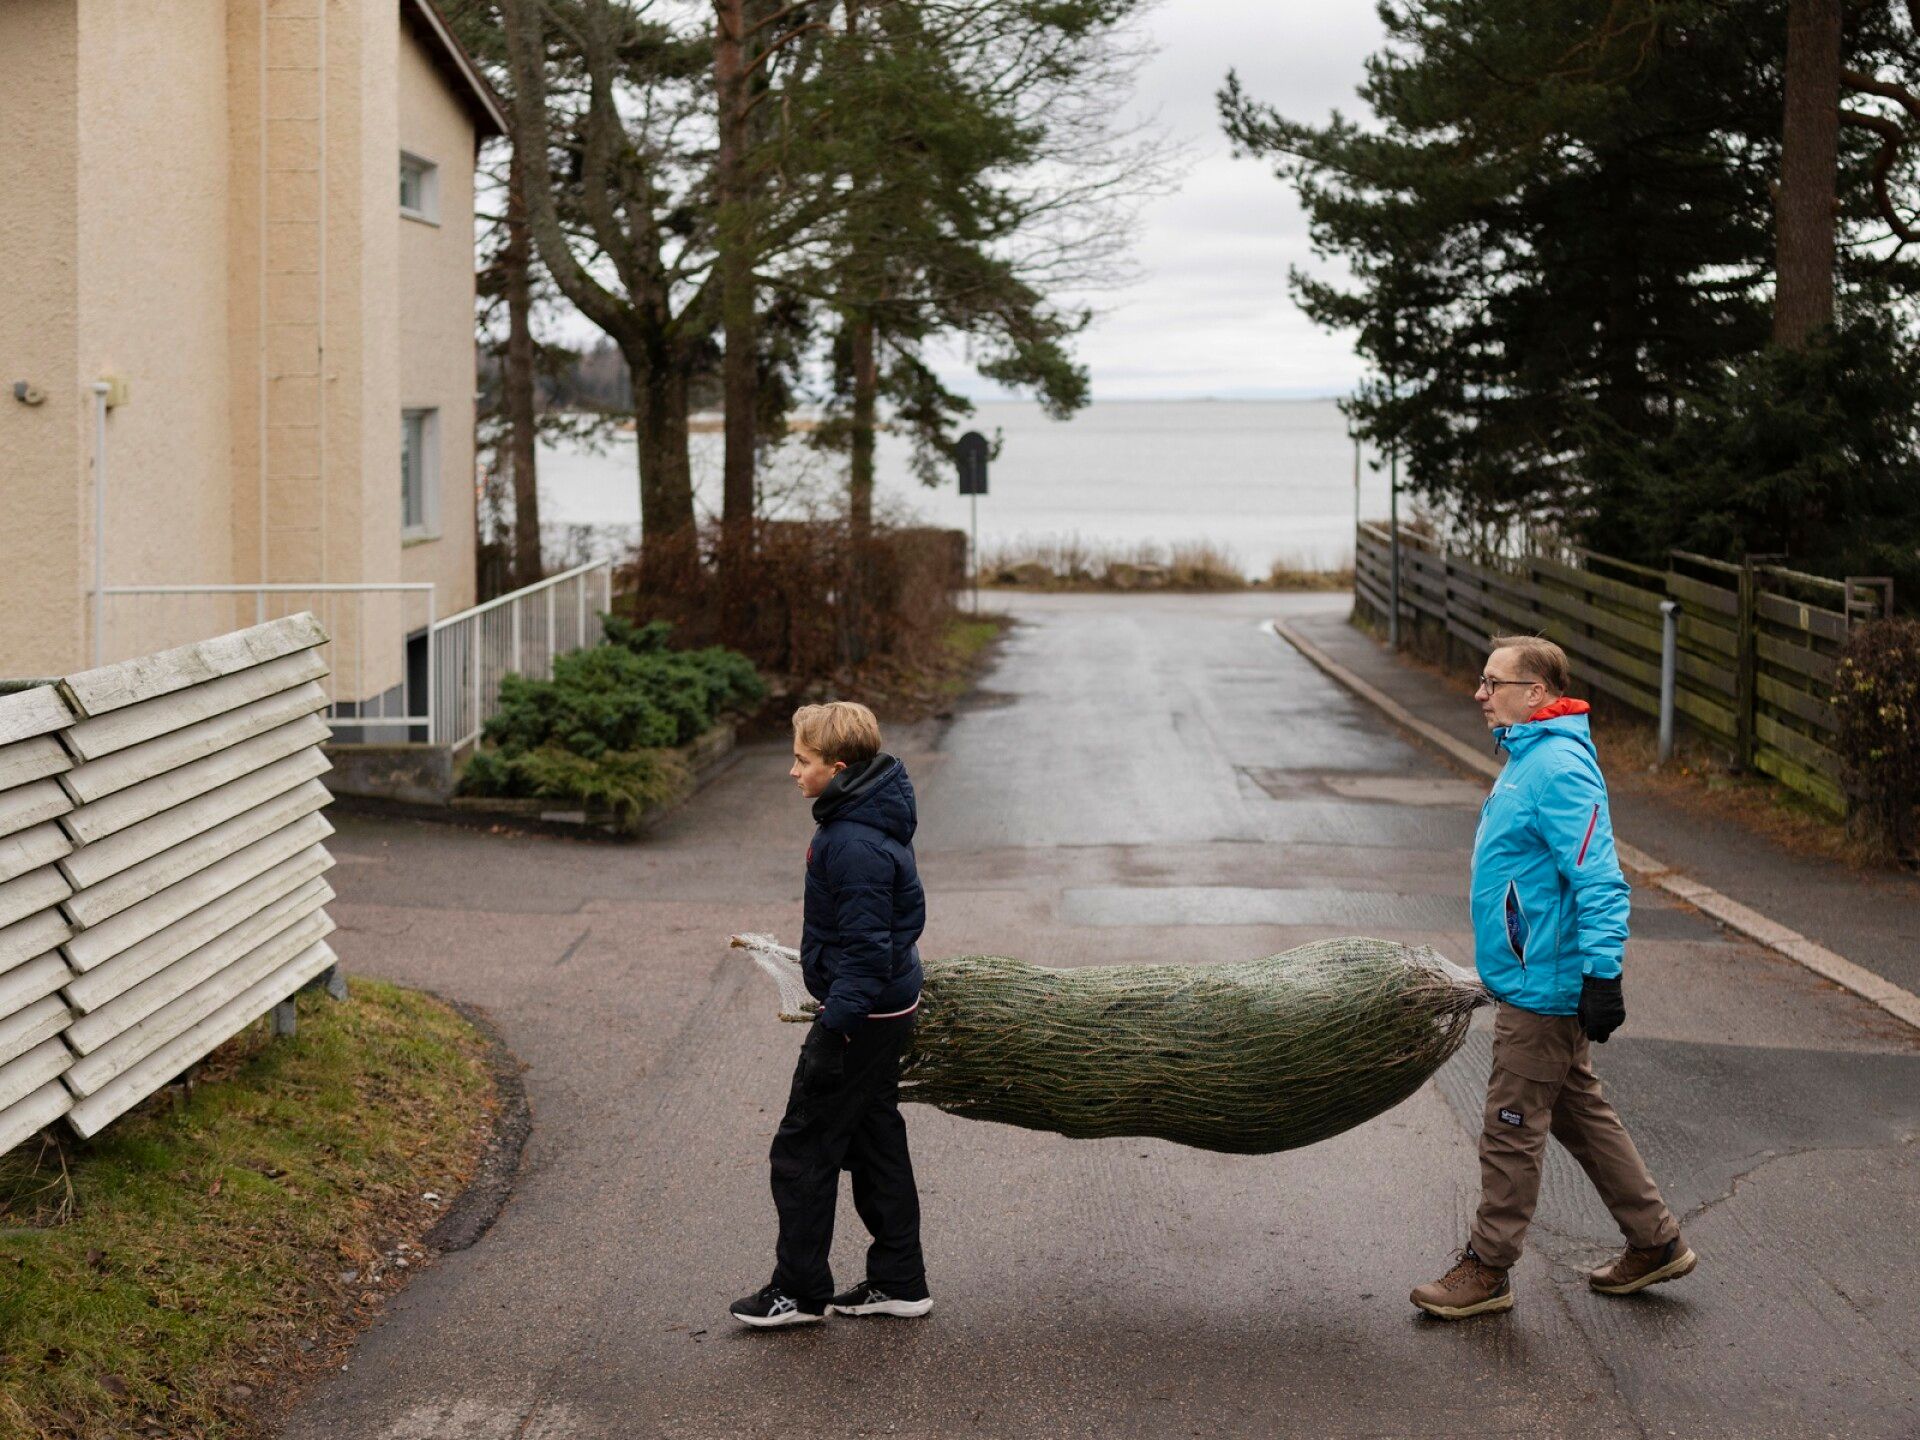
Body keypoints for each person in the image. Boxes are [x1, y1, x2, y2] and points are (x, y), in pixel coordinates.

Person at [1411, 636, 1697, 1321]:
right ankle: (1654, 1241)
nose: (1480, 693)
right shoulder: (1527, 756)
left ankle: (1488, 1267)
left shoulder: (1558, 767)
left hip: (1547, 987)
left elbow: (1598, 875)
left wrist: (1603, 974)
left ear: (1536, 691)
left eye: (1493, 681)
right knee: (1579, 1111)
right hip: (1530, 975)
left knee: (1510, 1124)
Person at [731, 701, 933, 1328]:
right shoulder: (863, 818)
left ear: (838, 768)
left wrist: (833, 1029)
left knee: (803, 1149)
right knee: (874, 1142)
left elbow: (869, 954)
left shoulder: (853, 843)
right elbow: (868, 938)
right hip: (881, 1007)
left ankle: (798, 1290)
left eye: (802, 760)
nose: (793, 772)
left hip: (862, 1018)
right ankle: (899, 1281)